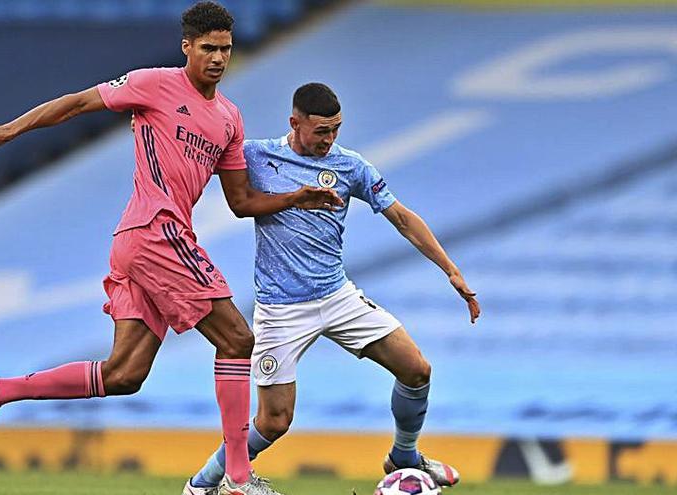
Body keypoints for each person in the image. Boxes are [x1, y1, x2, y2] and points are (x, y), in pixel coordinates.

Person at [0, 4, 341, 494]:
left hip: (147, 242)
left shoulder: (229, 119)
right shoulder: (154, 84)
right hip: (155, 231)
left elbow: (241, 202)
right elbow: (75, 103)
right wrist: (10, 130)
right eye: (208, 48)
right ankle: (237, 480)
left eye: (225, 49)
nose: (218, 58)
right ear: (187, 47)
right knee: (238, 340)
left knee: (124, 374)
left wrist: (296, 198)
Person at [183, 83, 480, 494]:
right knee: (274, 422)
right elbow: (199, 154)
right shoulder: (256, 155)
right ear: (295, 123)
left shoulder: (349, 166)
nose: (330, 140)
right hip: (281, 309)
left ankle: (405, 457)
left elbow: (402, 218)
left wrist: (450, 270)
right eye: (321, 131)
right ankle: (203, 483)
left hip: (337, 296)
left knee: (416, 370)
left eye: (336, 129)